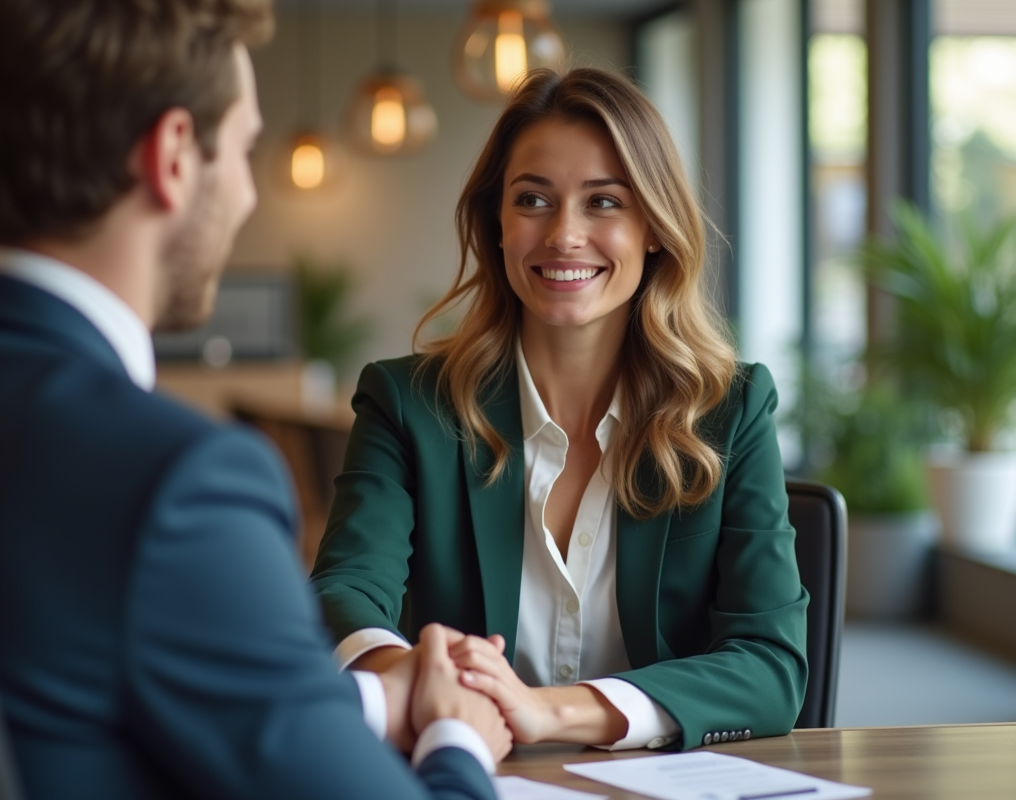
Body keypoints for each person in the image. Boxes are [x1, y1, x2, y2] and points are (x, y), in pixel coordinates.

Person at [0, 1, 510, 798]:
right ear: (172, 156)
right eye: (242, 150)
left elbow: (65, 690)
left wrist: (365, 704)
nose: (248, 194)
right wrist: (458, 737)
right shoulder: (176, 484)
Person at [311, 67, 810, 752]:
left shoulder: (728, 410)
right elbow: (344, 594)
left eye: (603, 202)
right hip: (467, 771)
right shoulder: (408, 404)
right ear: (497, 224)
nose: (564, 234)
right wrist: (422, 680)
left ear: (654, 226)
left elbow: (770, 664)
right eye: (532, 200)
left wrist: (548, 711)